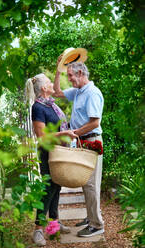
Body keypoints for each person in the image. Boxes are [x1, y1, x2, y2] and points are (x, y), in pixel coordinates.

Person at [53, 61, 104, 237]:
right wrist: (58, 72)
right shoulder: (78, 91)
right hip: (82, 140)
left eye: (70, 76)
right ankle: (90, 218)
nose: (70, 79)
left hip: (91, 140)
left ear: (81, 73)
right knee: (85, 181)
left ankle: (97, 225)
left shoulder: (92, 93)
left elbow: (95, 122)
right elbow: (57, 93)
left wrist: (73, 133)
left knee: (91, 184)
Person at [25, 73, 77, 246]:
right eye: (49, 82)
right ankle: (38, 230)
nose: (52, 84)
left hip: (59, 151)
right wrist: (63, 133)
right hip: (48, 152)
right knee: (49, 188)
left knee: (57, 184)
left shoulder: (51, 105)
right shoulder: (38, 107)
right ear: (43, 88)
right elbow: (41, 136)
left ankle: (54, 222)